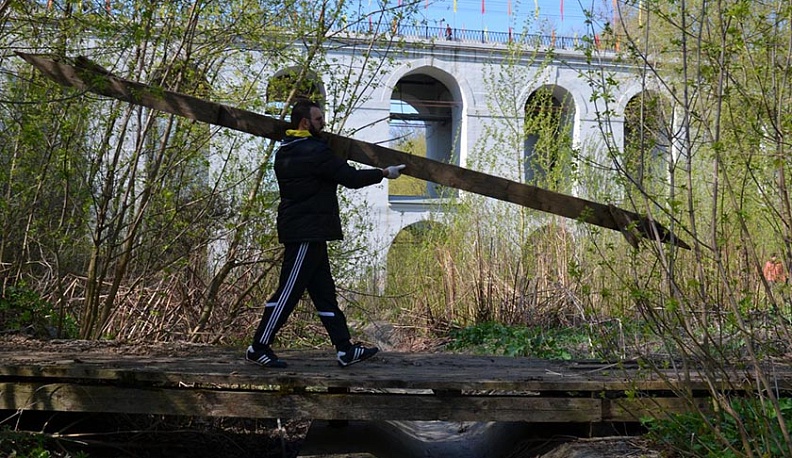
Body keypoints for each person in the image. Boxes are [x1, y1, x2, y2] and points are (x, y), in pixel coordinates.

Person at [246, 99, 406, 368]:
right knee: (287, 292)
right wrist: (384, 173)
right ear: (305, 122)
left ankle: (345, 349)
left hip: (308, 230)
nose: (323, 123)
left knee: (324, 295)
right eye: (319, 119)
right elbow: (350, 178)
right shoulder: (313, 151)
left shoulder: (286, 149)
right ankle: (258, 346)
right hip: (306, 233)